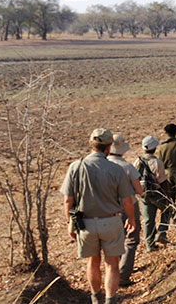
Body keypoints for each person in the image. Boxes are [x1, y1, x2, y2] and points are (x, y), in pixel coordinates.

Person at [60, 128, 136, 304]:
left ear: (90, 144)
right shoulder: (116, 169)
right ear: (109, 147)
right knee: (112, 264)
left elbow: (67, 200)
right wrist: (131, 218)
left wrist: (70, 222)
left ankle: (96, 299)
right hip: (111, 221)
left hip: (85, 223)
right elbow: (127, 201)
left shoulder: (75, 167)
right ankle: (110, 300)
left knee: (92, 262)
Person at [105, 133, 143, 287]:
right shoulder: (127, 167)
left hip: (108, 208)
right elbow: (139, 190)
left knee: (115, 240)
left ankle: (113, 271)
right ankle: (123, 275)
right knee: (131, 239)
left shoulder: (101, 166)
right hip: (129, 205)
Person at [133, 135, 168, 251]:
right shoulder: (157, 162)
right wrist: (167, 196)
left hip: (143, 193)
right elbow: (163, 182)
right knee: (167, 209)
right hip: (156, 192)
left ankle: (149, 245)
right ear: (154, 148)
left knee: (148, 219)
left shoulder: (137, 161)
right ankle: (161, 232)